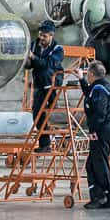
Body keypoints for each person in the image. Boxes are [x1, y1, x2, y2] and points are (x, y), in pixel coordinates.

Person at [76, 60, 110, 210]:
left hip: (101, 130)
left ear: (92, 74)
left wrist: (93, 131)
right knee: (92, 164)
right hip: (105, 129)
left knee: (99, 165)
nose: (86, 75)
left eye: (87, 73)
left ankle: (104, 198)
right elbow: (89, 93)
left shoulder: (100, 89)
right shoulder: (100, 86)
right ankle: (99, 197)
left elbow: (100, 112)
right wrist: (81, 79)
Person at [25, 20, 64, 153]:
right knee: (37, 113)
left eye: (44, 36)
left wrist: (33, 58)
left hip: (53, 81)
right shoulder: (34, 45)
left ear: (51, 35)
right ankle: (45, 144)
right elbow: (30, 64)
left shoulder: (58, 50)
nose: (41, 38)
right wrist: (27, 61)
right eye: (40, 34)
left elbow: (47, 64)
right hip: (40, 84)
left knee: (45, 70)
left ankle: (53, 99)